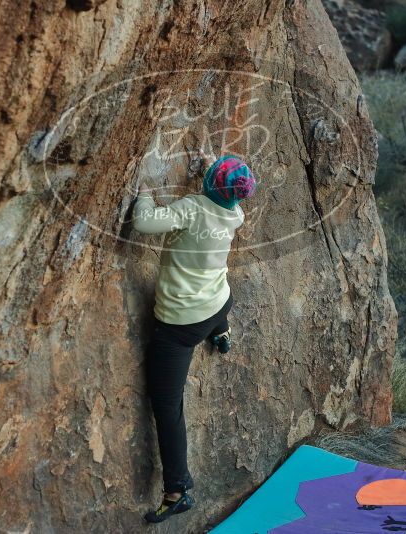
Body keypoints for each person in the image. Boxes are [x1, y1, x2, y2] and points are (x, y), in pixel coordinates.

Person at [133, 151, 257, 523]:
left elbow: (144, 223)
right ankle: (221, 334)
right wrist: (211, 175)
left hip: (181, 325)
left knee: (167, 406)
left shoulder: (190, 208)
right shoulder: (235, 212)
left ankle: (177, 491)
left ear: (207, 186)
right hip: (218, 303)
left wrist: (144, 195)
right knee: (217, 302)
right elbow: (220, 194)